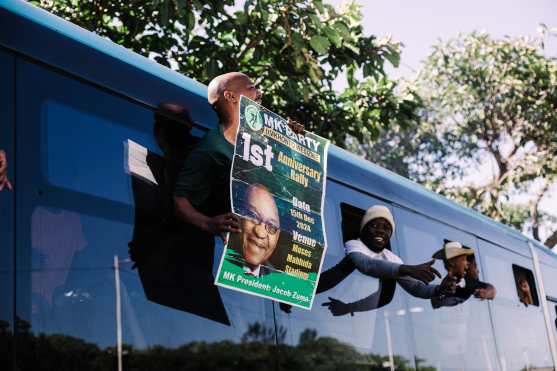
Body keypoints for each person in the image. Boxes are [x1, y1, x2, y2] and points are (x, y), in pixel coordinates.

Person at [174, 72, 303, 245]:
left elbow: (293, 184)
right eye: (252, 88)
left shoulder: (264, 141)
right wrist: (208, 223)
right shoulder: (211, 148)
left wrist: (296, 140)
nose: (260, 93)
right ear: (230, 96)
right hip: (242, 248)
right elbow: (179, 201)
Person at [323, 205, 455, 316]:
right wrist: (405, 269)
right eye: (374, 225)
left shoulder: (392, 258)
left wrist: (438, 289)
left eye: (386, 228)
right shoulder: (355, 244)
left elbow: (416, 288)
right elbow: (366, 265)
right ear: (364, 229)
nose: (380, 230)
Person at [227, 184, 281, 277]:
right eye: (253, 216)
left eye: (271, 226)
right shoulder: (216, 257)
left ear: (278, 236)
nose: (260, 233)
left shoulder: (279, 281)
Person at [431, 243, 496, 308]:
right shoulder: (439, 281)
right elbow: (435, 302)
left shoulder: (469, 282)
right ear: (452, 262)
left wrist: (486, 293)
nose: (478, 271)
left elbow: (492, 290)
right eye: (464, 259)